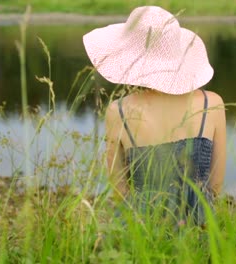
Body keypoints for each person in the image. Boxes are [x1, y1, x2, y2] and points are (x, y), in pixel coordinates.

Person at [83, 6, 226, 224]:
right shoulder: (211, 103)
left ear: (130, 57)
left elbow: (119, 189)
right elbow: (215, 186)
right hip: (199, 227)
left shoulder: (118, 111)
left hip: (142, 228)